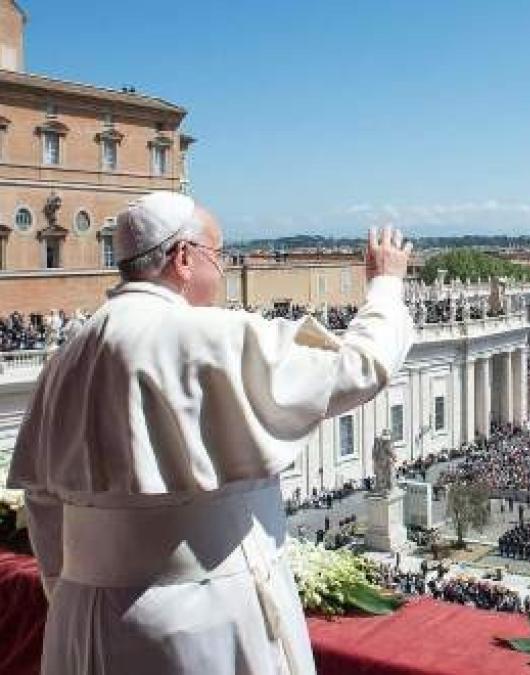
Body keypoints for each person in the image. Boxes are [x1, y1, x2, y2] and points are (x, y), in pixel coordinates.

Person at [8, 192, 416, 675]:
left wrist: (79, 588)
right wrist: (387, 286)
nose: (222, 272)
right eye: (217, 257)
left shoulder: (67, 357)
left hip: (81, 620)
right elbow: (359, 367)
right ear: (183, 258)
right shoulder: (210, 336)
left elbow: (44, 505)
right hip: (201, 619)